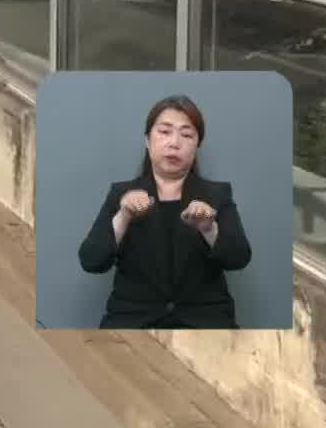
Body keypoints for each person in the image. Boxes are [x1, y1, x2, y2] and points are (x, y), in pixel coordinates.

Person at [76, 94, 252, 328]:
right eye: (165, 132)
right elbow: (91, 261)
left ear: (196, 145)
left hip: (205, 322)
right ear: (147, 141)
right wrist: (124, 216)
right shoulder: (121, 193)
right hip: (133, 320)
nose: (174, 143)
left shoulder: (217, 194)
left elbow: (239, 258)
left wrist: (209, 229)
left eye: (186, 134)